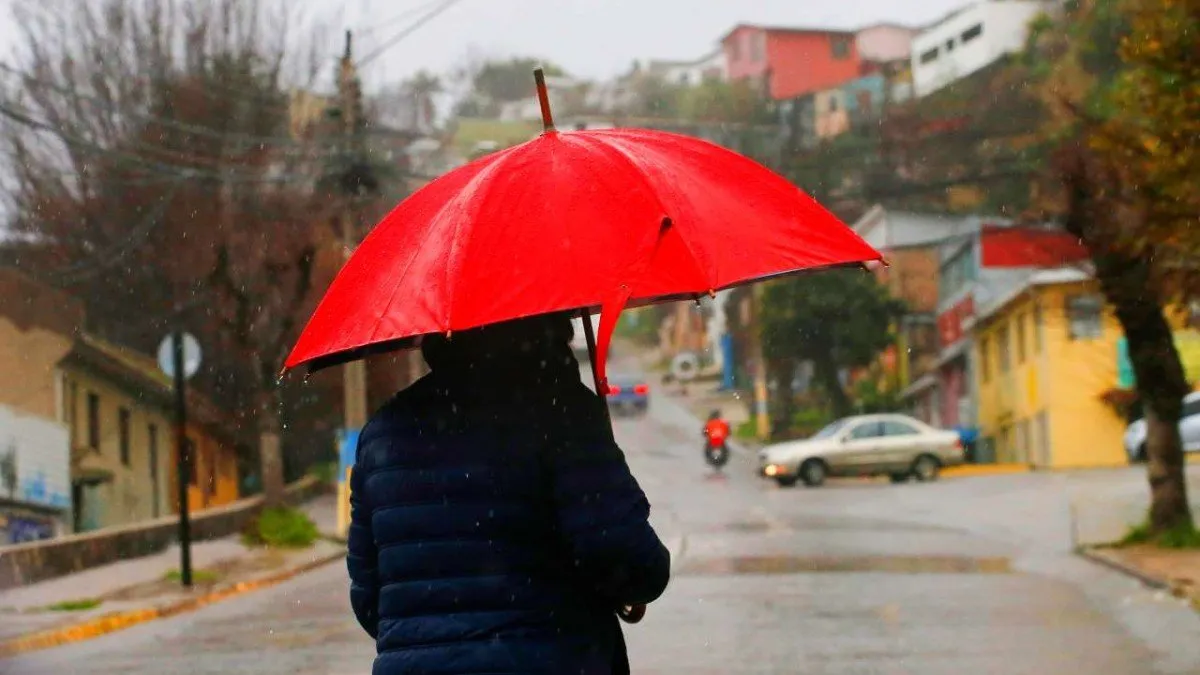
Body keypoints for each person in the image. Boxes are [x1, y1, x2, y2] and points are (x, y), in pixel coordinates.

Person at [347, 313, 671, 675]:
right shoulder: (560, 412)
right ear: (549, 328)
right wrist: (631, 588)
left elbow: (369, 599)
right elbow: (625, 555)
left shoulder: (381, 433)